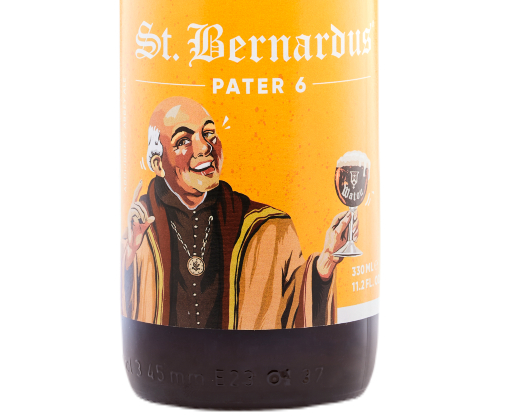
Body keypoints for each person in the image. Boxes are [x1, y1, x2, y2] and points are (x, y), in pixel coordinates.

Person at [121, 96, 354, 329]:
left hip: (259, 351)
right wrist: (129, 253)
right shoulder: (139, 228)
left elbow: (296, 307)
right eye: (183, 140)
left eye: (209, 133)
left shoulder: (269, 229)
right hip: (163, 348)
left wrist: (327, 262)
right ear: (158, 164)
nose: (205, 147)